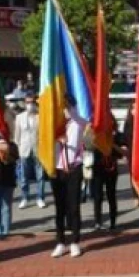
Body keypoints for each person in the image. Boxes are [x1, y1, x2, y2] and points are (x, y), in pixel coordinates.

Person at [51, 100, 87, 258]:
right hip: (57, 169)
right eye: (62, 106)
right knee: (60, 208)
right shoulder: (53, 123)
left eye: (67, 106)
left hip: (74, 168)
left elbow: (87, 123)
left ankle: (75, 242)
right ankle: (60, 242)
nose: (64, 109)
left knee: (73, 207)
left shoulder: (77, 122)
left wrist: (72, 112)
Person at [90, 115, 121, 232]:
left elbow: (124, 152)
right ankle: (98, 222)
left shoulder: (117, 136)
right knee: (97, 197)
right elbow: (88, 146)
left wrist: (112, 145)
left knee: (111, 196)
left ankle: (113, 223)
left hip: (111, 170)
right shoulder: (97, 136)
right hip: (98, 169)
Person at [14, 96, 44, 209]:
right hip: (24, 149)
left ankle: (40, 198)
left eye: (31, 102)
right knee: (24, 176)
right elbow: (17, 136)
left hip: (38, 149)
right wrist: (18, 149)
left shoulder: (40, 116)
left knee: (40, 175)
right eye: (27, 102)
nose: (29, 104)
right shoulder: (19, 117)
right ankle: (24, 198)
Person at [0, 134, 19, 238]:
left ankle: (6, 229)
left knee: (6, 206)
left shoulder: (12, 146)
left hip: (8, 181)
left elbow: (13, 156)